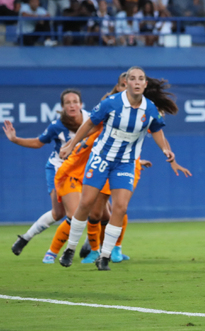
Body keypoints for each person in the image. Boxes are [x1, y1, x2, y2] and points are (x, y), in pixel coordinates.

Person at [58, 67, 178, 271]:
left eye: (141, 79)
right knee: (86, 203)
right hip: (101, 158)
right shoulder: (111, 103)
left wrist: (166, 150)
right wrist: (71, 144)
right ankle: (69, 249)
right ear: (127, 83)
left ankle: (104, 256)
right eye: (133, 78)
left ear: (145, 85)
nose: (137, 82)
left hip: (126, 162)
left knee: (120, 208)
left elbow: (157, 130)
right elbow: (89, 124)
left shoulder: (149, 108)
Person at [4, 89, 88, 256]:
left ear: (81, 104)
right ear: (63, 106)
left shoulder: (91, 119)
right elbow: (38, 143)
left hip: (82, 169)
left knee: (99, 209)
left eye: (75, 101)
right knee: (61, 213)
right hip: (59, 169)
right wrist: (15, 139)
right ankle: (26, 239)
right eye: (68, 102)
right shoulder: (57, 125)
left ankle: (88, 247)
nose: (72, 105)